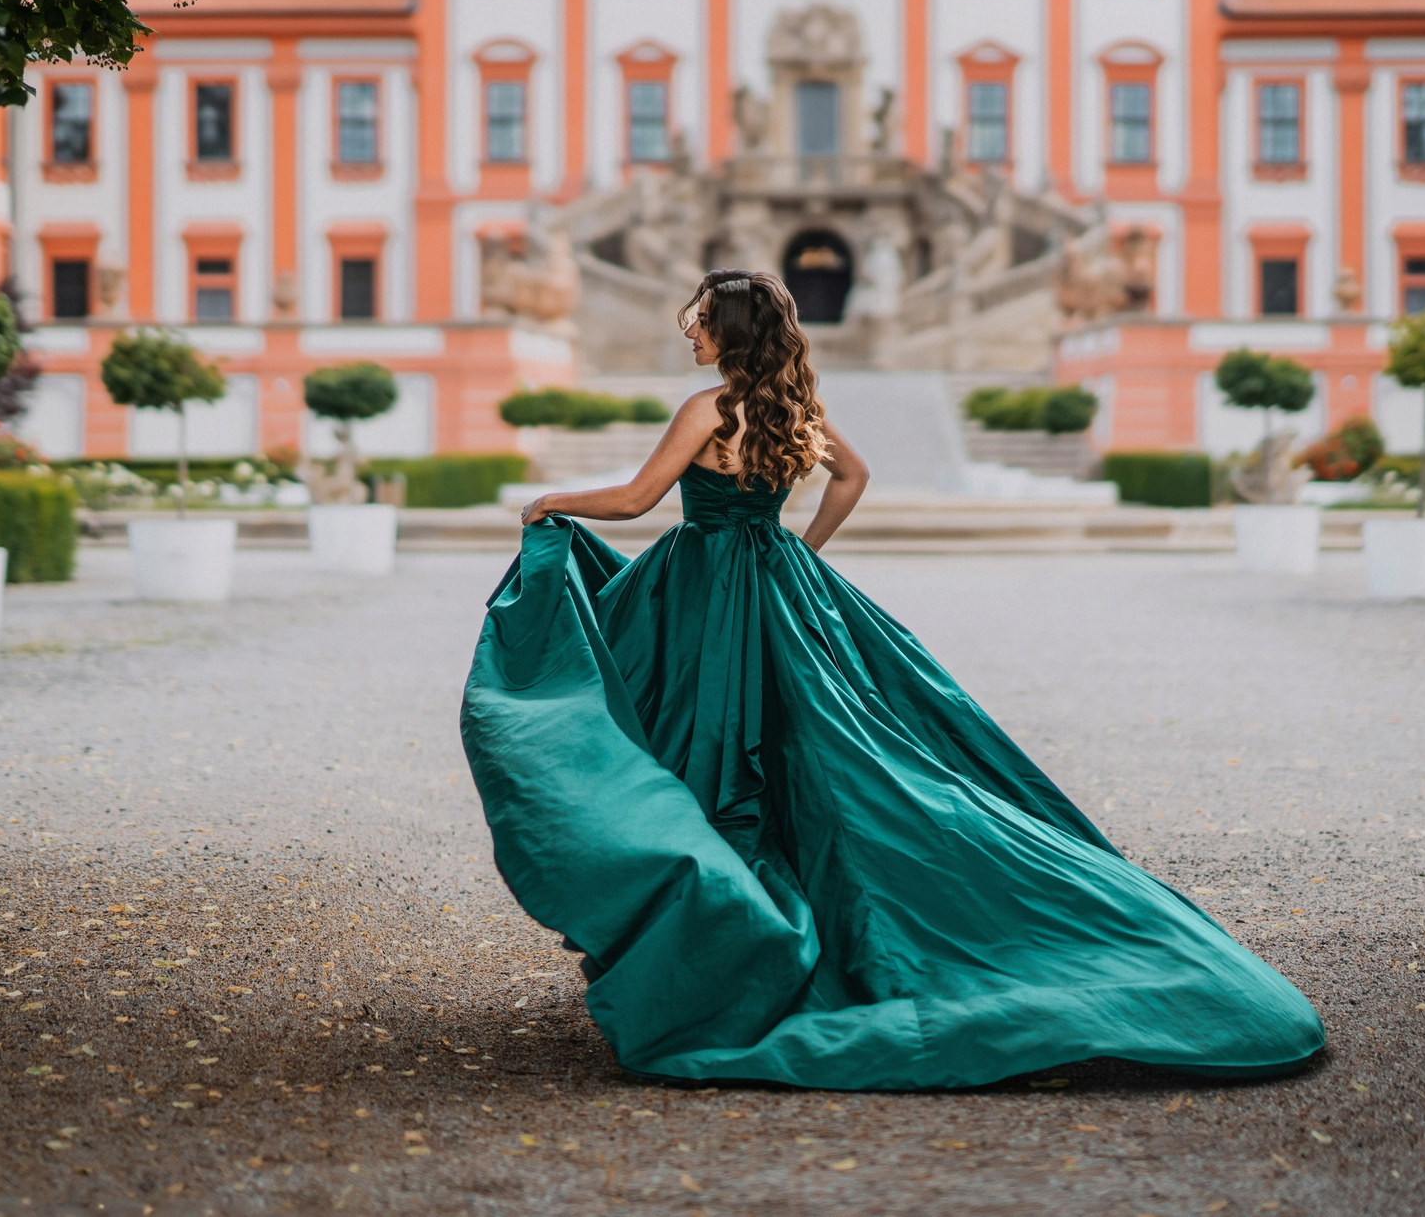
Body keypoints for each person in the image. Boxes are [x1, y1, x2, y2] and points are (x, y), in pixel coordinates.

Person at [461, 268, 1324, 1090]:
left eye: (697, 321)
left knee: (691, 743)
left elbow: (639, 500)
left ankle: (721, 946)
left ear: (723, 334)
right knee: (817, 750)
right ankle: (740, 927)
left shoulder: (708, 407)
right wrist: (801, 552)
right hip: (779, 581)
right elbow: (853, 477)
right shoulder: (793, 405)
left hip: (703, 586)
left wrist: (553, 502)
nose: (688, 332)